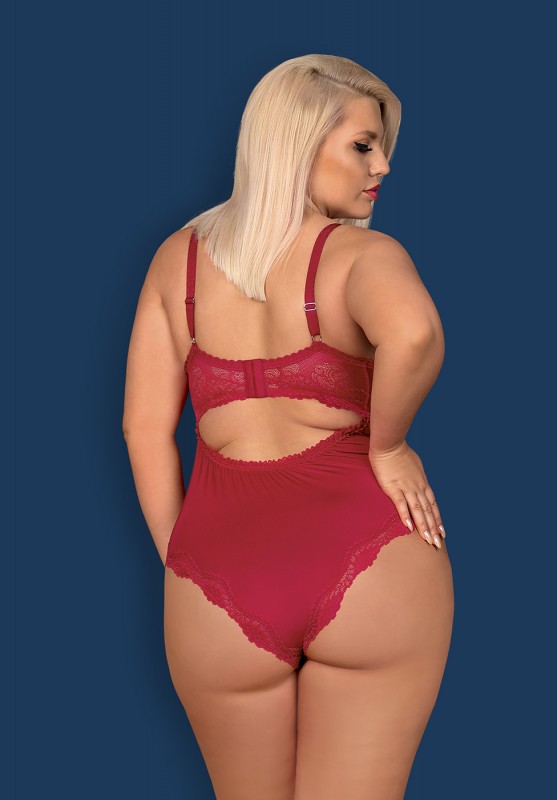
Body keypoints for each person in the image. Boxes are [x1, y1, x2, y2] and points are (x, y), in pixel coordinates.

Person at [123, 54, 454, 800]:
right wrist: (389, 445)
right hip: (371, 561)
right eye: (363, 145)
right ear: (298, 144)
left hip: (217, 578)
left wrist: (184, 559)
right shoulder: (361, 257)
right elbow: (415, 334)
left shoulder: (177, 261)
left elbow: (143, 429)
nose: (383, 166)